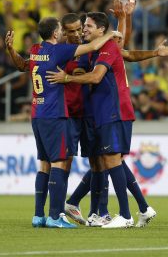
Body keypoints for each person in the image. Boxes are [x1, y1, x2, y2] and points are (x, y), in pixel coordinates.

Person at [6, 16, 118, 229]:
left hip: (37, 113)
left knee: (45, 165)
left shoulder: (36, 50)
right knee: (59, 163)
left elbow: (22, 65)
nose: (75, 34)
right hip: (55, 115)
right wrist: (110, 33)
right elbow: (95, 45)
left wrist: (11, 50)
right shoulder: (60, 51)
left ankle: (39, 215)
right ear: (58, 33)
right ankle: (55, 216)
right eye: (66, 30)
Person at [46, 12, 154, 228]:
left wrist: (126, 18)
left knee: (108, 160)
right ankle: (123, 210)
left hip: (109, 112)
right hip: (91, 113)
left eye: (86, 26)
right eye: (77, 28)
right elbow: (118, 44)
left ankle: (117, 213)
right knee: (103, 161)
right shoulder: (87, 51)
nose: (82, 31)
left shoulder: (105, 47)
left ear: (100, 30)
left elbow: (121, 46)